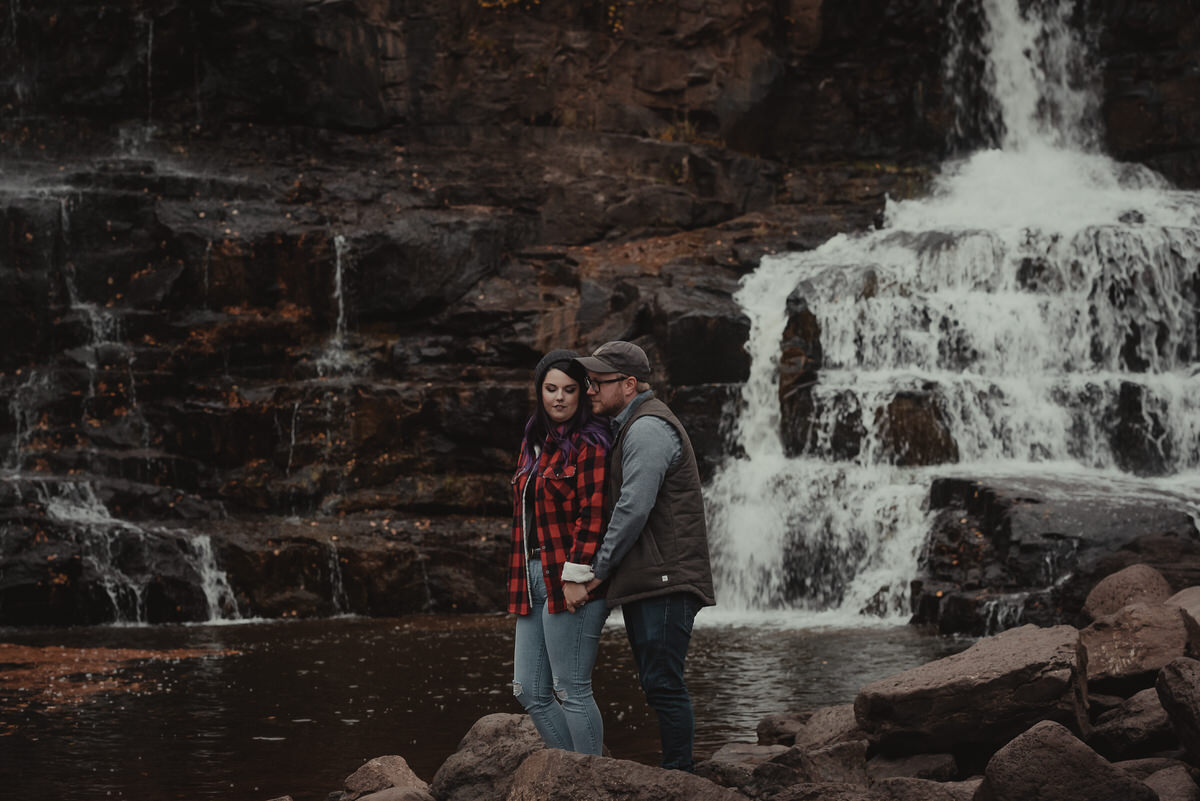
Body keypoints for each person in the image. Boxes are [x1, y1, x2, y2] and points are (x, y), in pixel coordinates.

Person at [573, 340, 716, 772]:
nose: (590, 389)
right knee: (658, 683)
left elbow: (634, 507)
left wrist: (598, 570)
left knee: (663, 684)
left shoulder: (648, 428)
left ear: (629, 384)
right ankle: (677, 772)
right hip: (654, 580)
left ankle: (678, 778)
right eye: (589, 381)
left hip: (666, 580)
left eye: (599, 381)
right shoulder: (631, 425)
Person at [508, 349, 613, 755]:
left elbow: (594, 514)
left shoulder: (591, 441)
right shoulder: (534, 440)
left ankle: (592, 782)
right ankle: (579, 769)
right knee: (528, 689)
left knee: (570, 688)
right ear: (540, 391)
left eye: (569, 389)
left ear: (582, 393)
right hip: (531, 573)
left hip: (569, 575)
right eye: (551, 389)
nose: (559, 398)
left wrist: (576, 575)